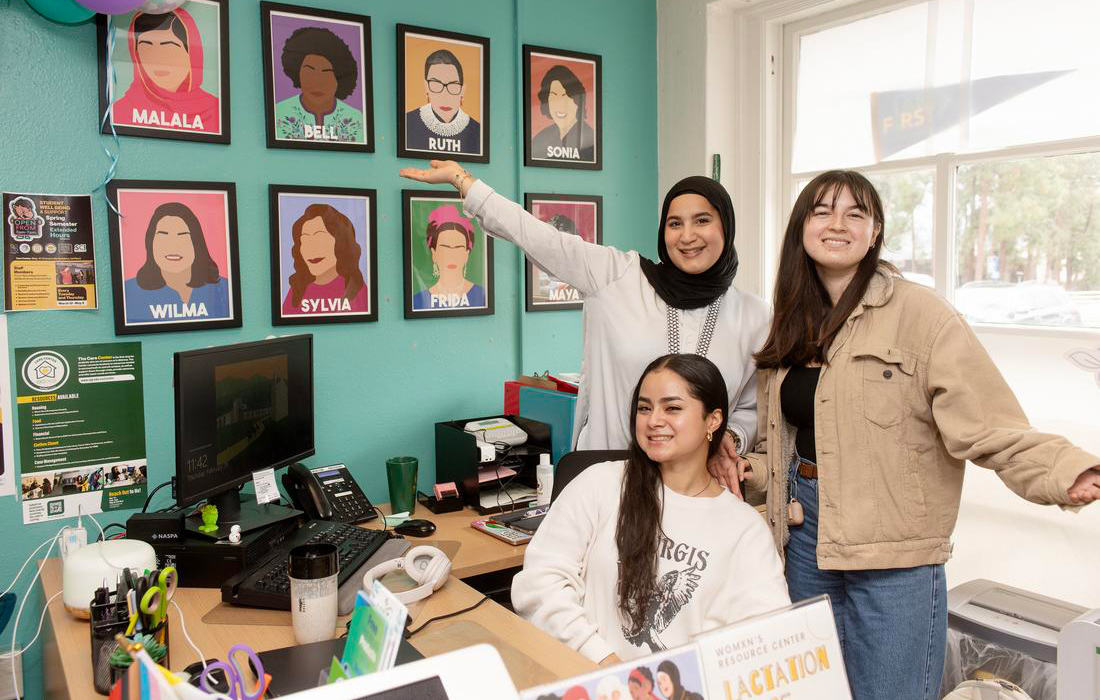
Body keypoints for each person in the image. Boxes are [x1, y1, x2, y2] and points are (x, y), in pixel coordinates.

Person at [714, 170, 1100, 700]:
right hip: (805, 537)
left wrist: (1065, 470)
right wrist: (745, 468)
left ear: (875, 233)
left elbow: (988, 423)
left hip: (893, 549)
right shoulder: (791, 320)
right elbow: (783, 441)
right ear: (801, 226)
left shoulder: (922, 315)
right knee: (816, 690)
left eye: (856, 214)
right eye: (822, 211)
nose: (838, 224)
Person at [401, 161, 768, 483]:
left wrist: (730, 438)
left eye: (702, 220)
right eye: (675, 223)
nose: (687, 236)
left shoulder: (754, 315)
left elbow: (751, 409)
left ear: (727, 227)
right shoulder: (617, 275)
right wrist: (465, 182)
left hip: (697, 487)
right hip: (610, 482)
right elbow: (541, 238)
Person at [511, 354, 790, 664]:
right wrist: (604, 661)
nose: (654, 420)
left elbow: (767, 637)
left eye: (672, 408)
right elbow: (538, 586)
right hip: (589, 680)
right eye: (644, 408)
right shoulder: (599, 484)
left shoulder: (744, 528)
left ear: (713, 420)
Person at [112, 8, 220, 134]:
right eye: (146, 46)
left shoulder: (215, 110)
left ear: (191, 54)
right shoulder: (121, 111)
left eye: (169, 46)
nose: (158, 58)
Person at [123, 202, 231, 324]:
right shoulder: (128, 292)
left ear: (196, 243)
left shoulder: (225, 288)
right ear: (150, 243)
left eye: (182, 236)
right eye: (163, 236)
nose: (173, 245)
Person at [274, 26, 363, 143]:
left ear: (339, 80)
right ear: (297, 73)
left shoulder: (356, 119)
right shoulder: (279, 113)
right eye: (309, 72)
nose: (317, 82)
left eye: (326, 73)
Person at [282, 204, 369, 316]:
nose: (311, 250)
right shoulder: (298, 289)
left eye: (320, 238)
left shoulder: (355, 287)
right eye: (305, 240)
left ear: (341, 243)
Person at [404, 50, 481, 155]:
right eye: (435, 84)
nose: (445, 96)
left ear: (462, 90)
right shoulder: (407, 123)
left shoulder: (478, 131)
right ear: (426, 87)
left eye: (453, 85)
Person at [410, 205, 485, 310]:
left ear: (466, 254)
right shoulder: (417, 301)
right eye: (445, 248)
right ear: (434, 253)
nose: (451, 255)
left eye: (458, 248)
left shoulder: (482, 296)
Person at [532, 64, 595, 162]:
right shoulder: (541, 138)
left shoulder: (589, 140)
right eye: (554, 96)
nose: (559, 105)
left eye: (565, 96)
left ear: (577, 101)